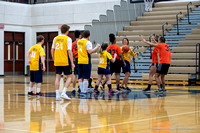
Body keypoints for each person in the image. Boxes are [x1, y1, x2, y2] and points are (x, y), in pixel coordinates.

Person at [51, 24, 75, 101]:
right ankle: (64, 92)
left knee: (58, 78)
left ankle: (57, 95)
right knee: (69, 77)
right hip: (65, 60)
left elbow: (52, 50)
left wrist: (54, 59)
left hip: (57, 61)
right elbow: (69, 52)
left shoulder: (55, 38)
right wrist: (72, 62)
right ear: (67, 31)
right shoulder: (68, 39)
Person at [77, 30, 100, 97]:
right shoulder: (88, 42)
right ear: (88, 36)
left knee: (80, 77)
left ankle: (81, 91)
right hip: (86, 61)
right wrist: (96, 47)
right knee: (86, 77)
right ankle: (84, 92)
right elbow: (90, 51)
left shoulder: (79, 41)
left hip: (79, 61)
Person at [71, 30, 82, 95]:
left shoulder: (73, 43)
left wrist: (73, 60)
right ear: (80, 36)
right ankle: (80, 87)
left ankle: (73, 89)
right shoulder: (82, 42)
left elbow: (72, 54)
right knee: (81, 74)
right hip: (82, 58)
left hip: (76, 59)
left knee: (75, 75)